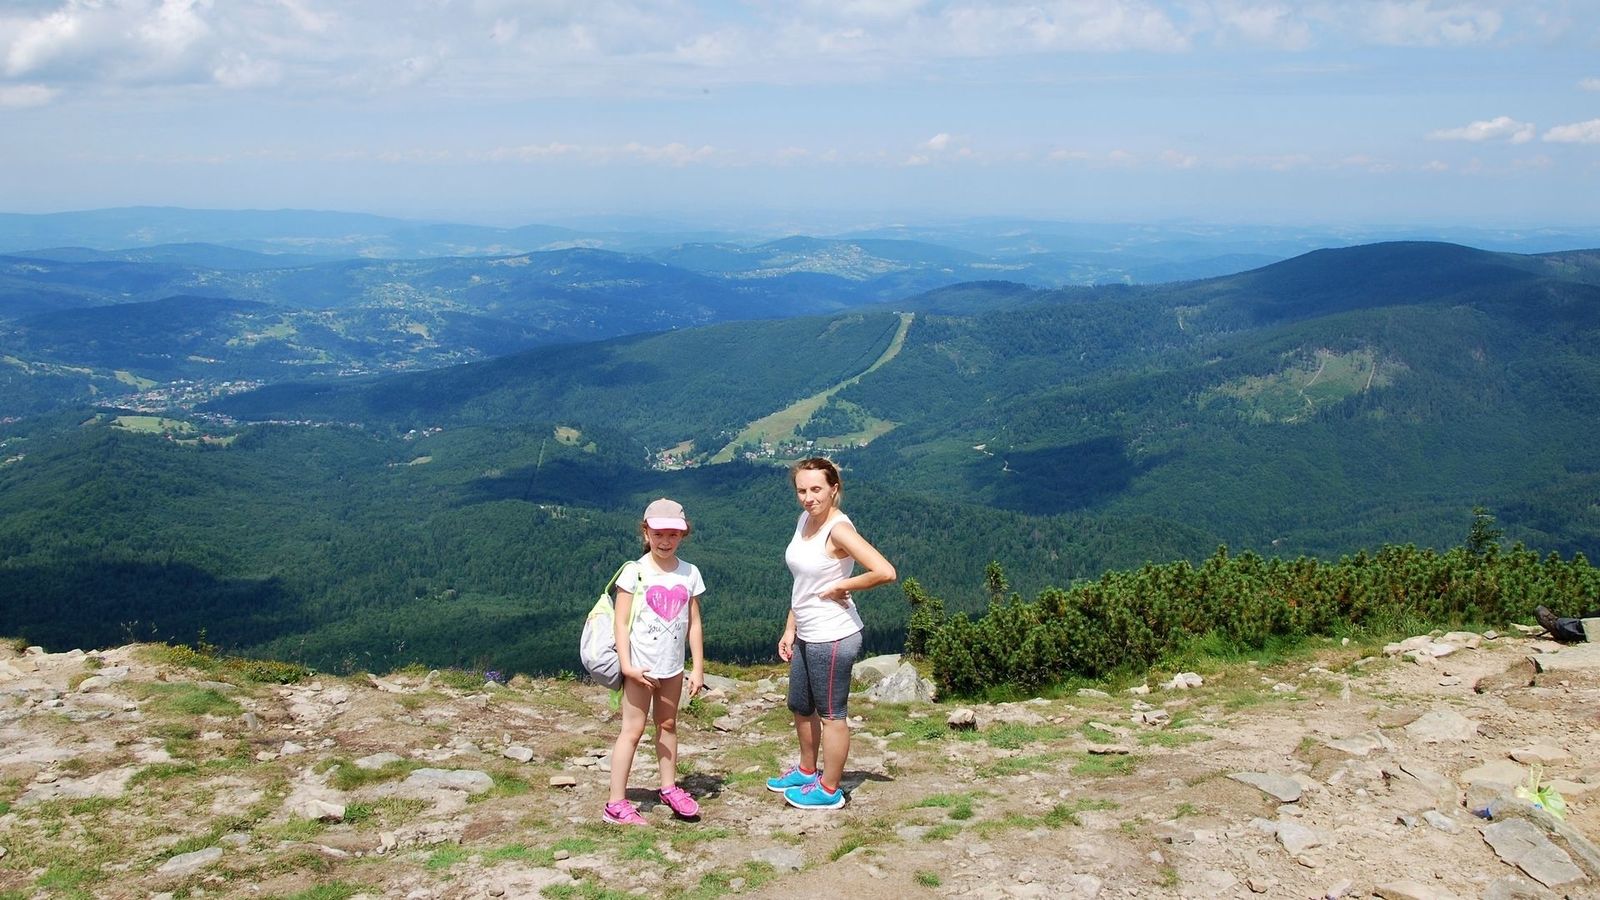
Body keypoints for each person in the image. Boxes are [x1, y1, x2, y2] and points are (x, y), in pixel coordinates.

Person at [767, 457, 897, 810]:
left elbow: (885, 571)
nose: (808, 498)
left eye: (816, 489)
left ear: (833, 489)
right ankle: (807, 770)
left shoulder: (837, 529)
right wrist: (790, 627)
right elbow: (803, 582)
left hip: (833, 634)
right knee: (800, 705)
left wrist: (843, 585)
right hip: (808, 630)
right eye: (802, 491)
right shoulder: (805, 520)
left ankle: (829, 790)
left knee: (831, 714)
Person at [604, 498, 706, 825]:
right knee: (632, 730)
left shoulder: (690, 573)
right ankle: (615, 802)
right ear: (645, 532)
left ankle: (668, 786)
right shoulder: (634, 572)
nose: (665, 541)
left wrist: (698, 667)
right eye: (658, 534)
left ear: (683, 535)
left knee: (668, 724)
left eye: (673, 534)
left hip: (672, 667)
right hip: (639, 667)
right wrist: (627, 666)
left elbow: (694, 622)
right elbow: (621, 623)